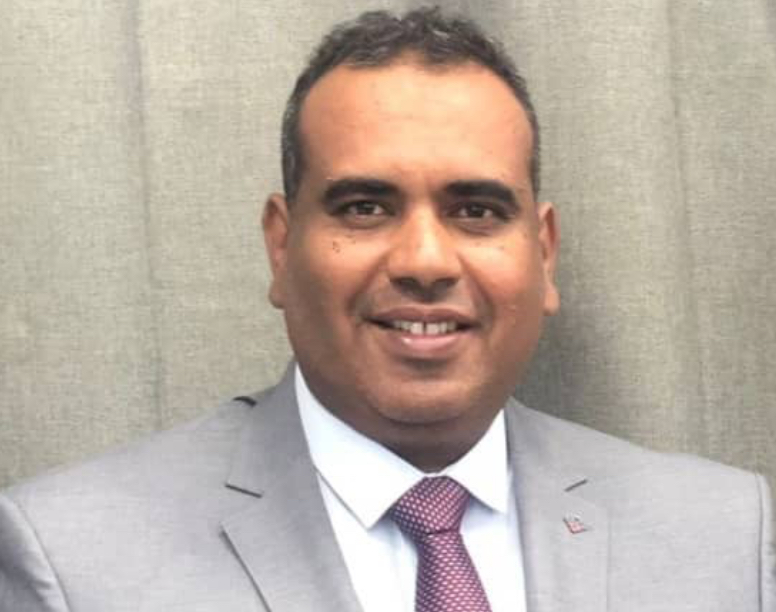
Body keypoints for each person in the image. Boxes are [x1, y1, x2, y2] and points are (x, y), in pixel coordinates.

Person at [0, 7, 773, 612]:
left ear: (543, 253)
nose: (425, 262)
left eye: (476, 210)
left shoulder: (723, 535)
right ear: (281, 246)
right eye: (365, 207)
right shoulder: (73, 559)